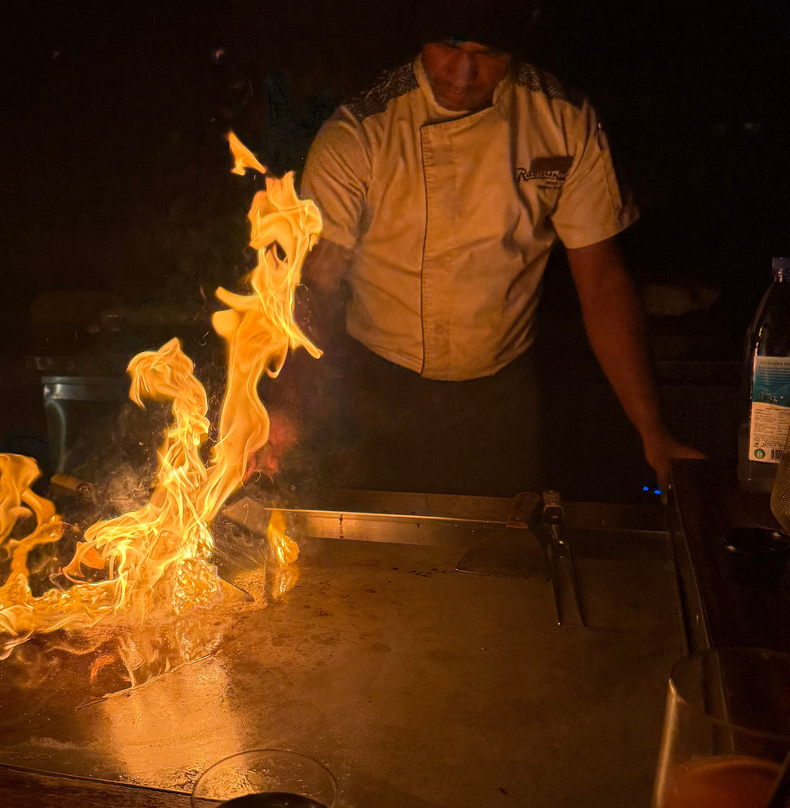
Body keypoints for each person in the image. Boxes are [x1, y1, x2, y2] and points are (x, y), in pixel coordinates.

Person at [258, 0, 703, 497]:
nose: (463, 72)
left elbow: (602, 281)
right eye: (449, 46)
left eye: (486, 52)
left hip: (502, 399)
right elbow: (313, 290)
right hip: (375, 395)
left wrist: (654, 433)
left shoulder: (563, 121)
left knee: (503, 540)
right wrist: (286, 408)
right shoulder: (360, 133)